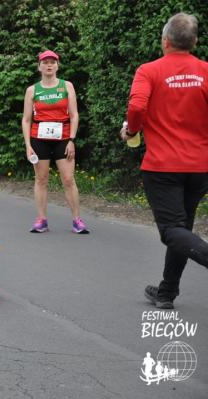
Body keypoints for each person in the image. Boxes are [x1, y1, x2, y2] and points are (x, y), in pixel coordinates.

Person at [121, 13, 208, 309]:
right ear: (195, 42)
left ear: (165, 40)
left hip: (163, 166)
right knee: (181, 229)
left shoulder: (149, 71)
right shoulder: (206, 71)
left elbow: (136, 106)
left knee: (172, 230)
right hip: (199, 166)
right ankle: (166, 292)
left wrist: (131, 130)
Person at [22, 50, 88, 234]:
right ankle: (41, 220)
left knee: (68, 179)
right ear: (39, 66)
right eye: (45, 62)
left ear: (57, 66)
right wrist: (28, 146)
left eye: (52, 62)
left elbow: (74, 115)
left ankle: (77, 220)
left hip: (63, 138)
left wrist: (71, 140)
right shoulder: (32, 90)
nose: (49, 65)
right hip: (39, 139)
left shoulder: (67, 86)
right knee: (41, 179)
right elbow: (26, 120)